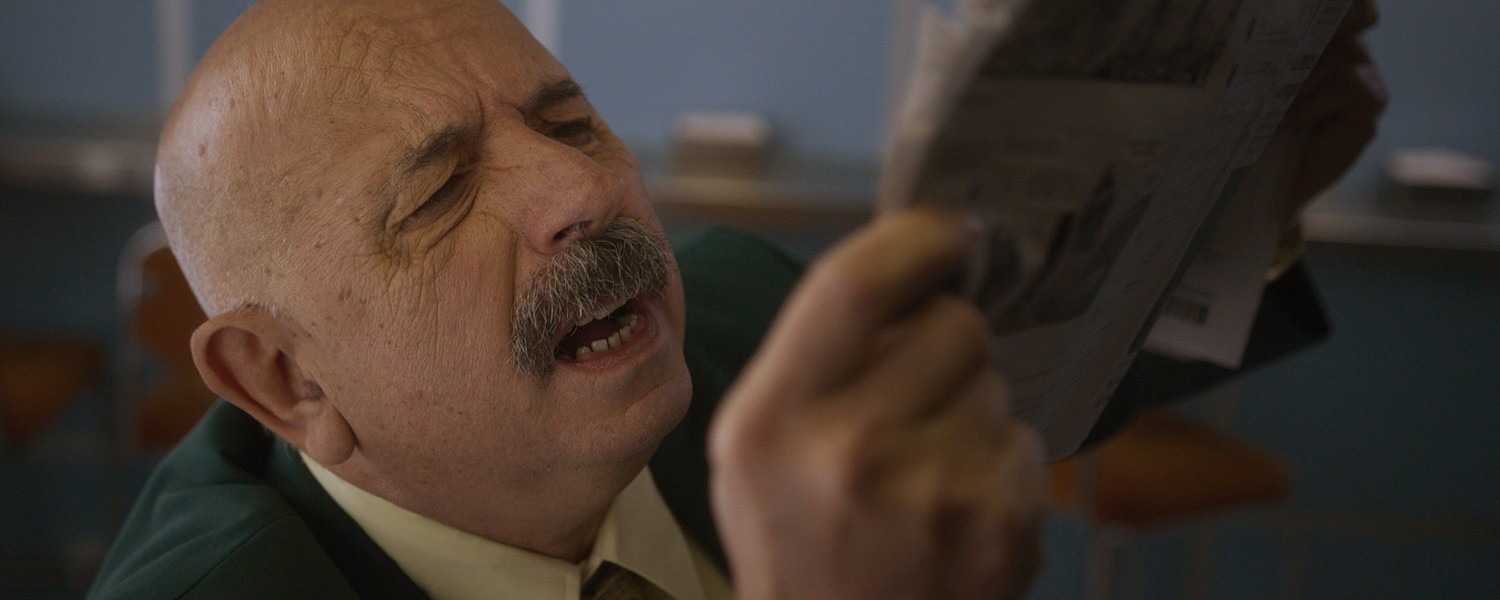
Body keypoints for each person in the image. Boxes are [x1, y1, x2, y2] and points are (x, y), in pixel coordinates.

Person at [89, 0, 1385, 598]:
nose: (580, 191)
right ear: (282, 379)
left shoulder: (727, 303)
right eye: (438, 194)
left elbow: (1020, 366)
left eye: (571, 123)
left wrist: (1235, 195)